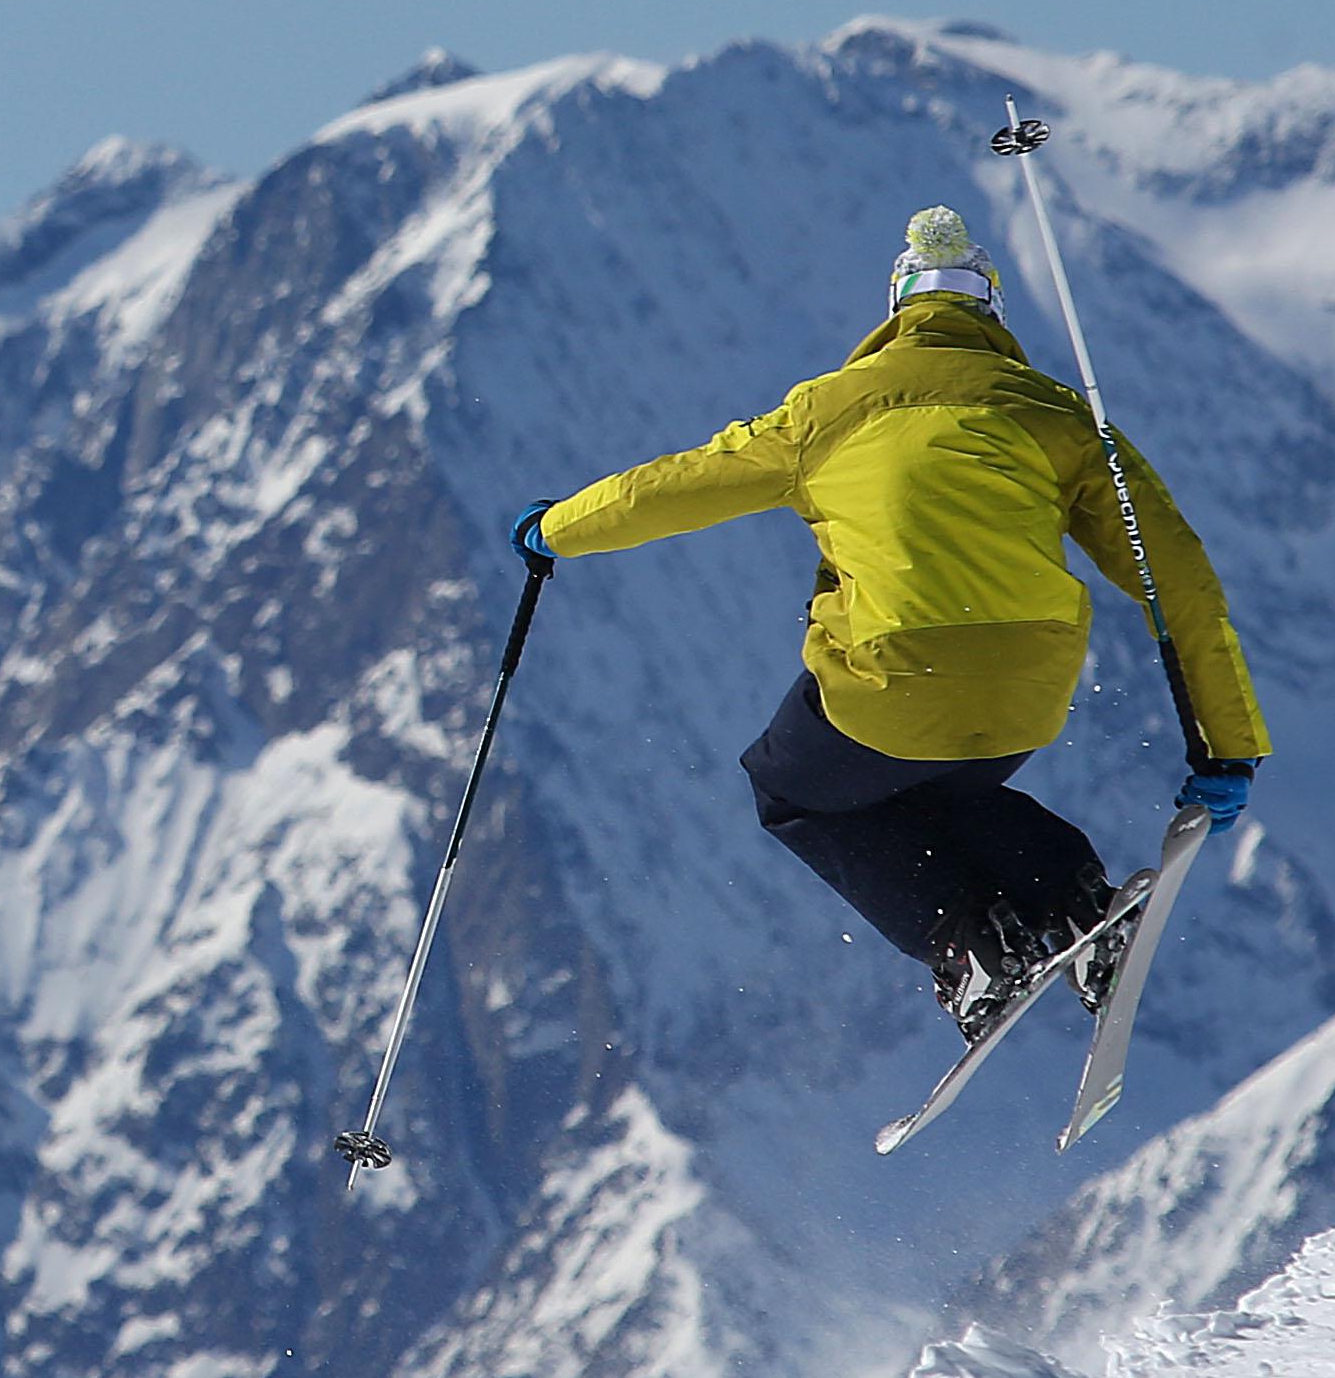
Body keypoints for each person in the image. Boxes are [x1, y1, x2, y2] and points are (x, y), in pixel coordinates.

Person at [510, 205, 1269, 1041]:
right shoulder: (1060, 418)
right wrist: (1223, 742)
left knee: (793, 788)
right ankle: (1072, 901)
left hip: (890, 678)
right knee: (933, 787)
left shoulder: (821, 414)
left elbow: (671, 489)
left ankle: (965, 944)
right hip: (1029, 688)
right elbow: (1181, 584)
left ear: (893, 312)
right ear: (991, 315)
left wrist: (555, 529)